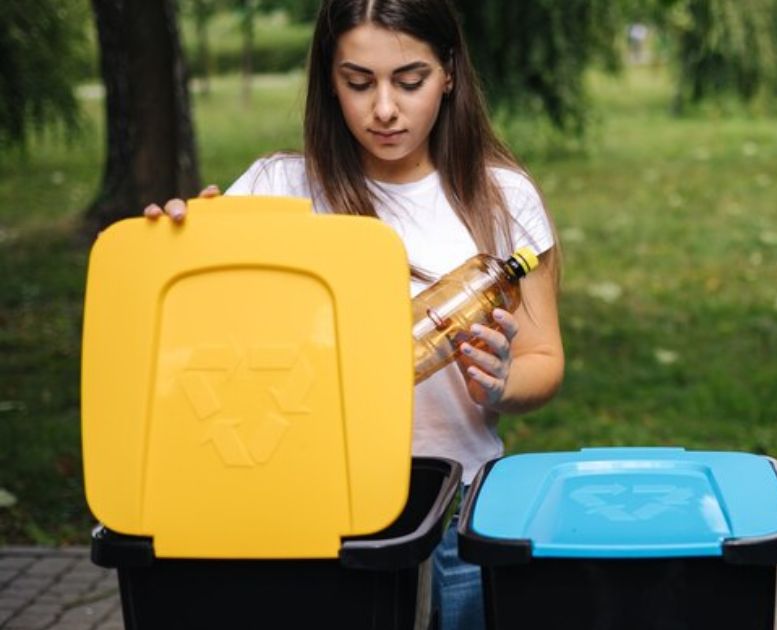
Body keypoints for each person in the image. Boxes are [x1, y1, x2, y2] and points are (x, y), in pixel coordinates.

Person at [144, 1, 564, 627]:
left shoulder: (500, 197)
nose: (385, 109)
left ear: (449, 72)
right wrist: (178, 242)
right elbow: (190, 339)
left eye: (410, 79)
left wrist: (502, 383)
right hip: (308, 512)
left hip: (459, 519)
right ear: (328, 77)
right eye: (358, 82)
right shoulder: (278, 187)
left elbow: (544, 360)